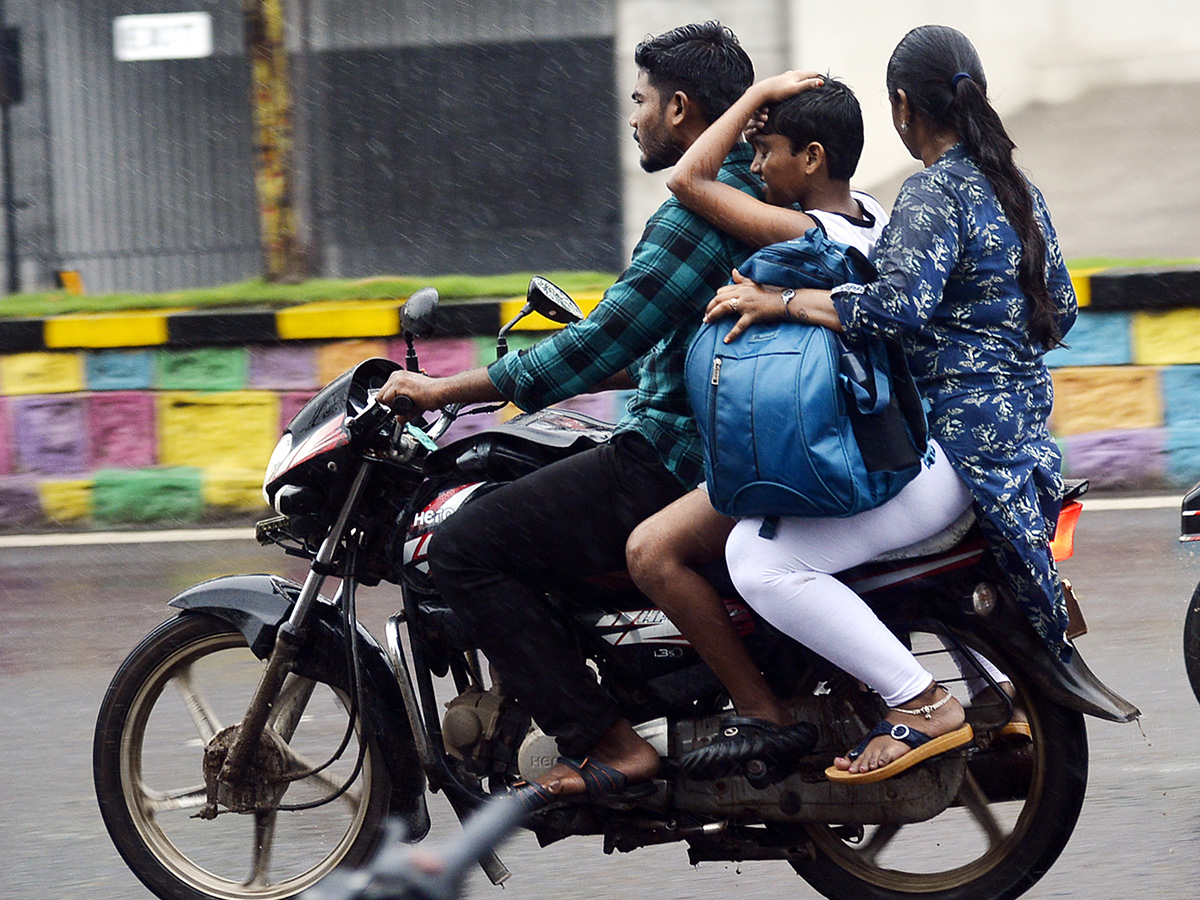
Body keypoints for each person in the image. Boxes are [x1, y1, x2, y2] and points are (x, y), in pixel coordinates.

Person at [377, 22, 763, 806]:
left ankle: (610, 744)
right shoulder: (749, 194)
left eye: (641, 99)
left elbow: (598, 343)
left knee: (466, 546)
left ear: (682, 109)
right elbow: (649, 343)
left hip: (674, 459)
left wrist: (441, 389)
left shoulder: (698, 214)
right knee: (532, 490)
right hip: (711, 445)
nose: (633, 117)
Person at [703, 24, 1076, 783]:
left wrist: (783, 303)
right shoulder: (1017, 189)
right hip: (1021, 445)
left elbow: (892, 310)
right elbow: (1059, 310)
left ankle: (917, 699)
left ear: (903, 107)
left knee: (757, 557)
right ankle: (987, 690)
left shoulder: (933, 193)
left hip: (953, 453)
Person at [626, 71, 890, 778]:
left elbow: (688, 180)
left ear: (811, 159)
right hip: (853, 430)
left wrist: (752, 94)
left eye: (766, 150)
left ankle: (761, 714)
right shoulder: (874, 215)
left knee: (652, 552)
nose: (756, 166)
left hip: (813, 443)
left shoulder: (812, 229)